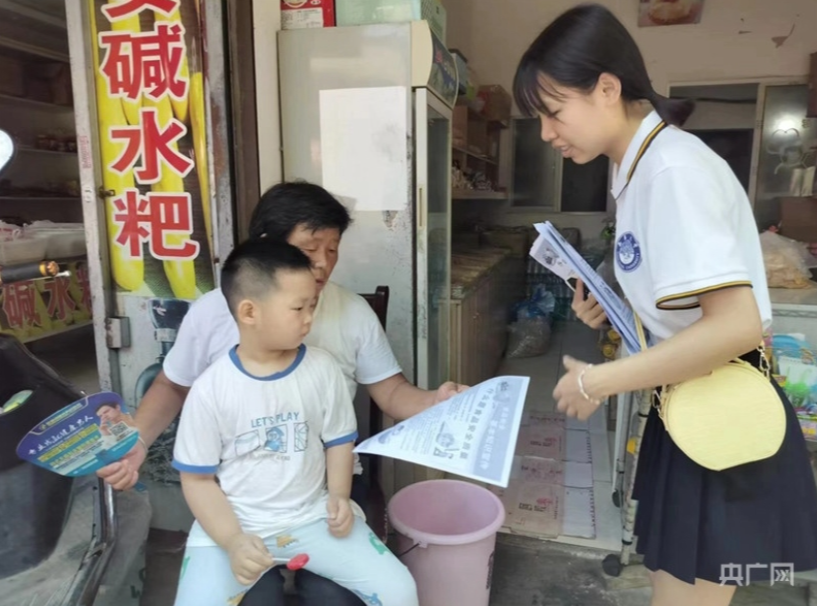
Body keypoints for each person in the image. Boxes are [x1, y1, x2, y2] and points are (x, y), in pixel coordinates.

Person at [514, 4, 817, 606]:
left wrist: (601, 380)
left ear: (607, 89)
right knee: (671, 588)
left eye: (553, 112)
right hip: (688, 405)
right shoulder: (638, 169)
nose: (546, 133)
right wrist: (617, 310)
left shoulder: (672, 170)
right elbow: (682, 309)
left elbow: (735, 325)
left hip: (721, 409)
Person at [98, 181, 465, 604]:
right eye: (310, 248)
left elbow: (392, 392)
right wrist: (138, 440)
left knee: (339, 598)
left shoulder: (348, 319)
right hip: (237, 498)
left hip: (322, 491)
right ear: (268, 247)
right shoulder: (213, 321)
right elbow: (173, 385)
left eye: (333, 249)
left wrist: (437, 402)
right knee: (255, 597)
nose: (323, 264)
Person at [171, 239, 418, 606]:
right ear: (250, 312)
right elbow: (197, 479)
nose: (309, 318)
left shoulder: (322, 369)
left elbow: (338, 441)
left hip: (313, 516)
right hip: (236, 524)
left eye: (312, 305)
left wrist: (339, 495)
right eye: (298, 308)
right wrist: (233, 541)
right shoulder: (211, 389)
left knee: (400, 590)